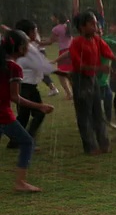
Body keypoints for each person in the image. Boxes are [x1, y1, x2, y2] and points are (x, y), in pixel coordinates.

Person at [0, 30, 55, 192]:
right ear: (19, 48)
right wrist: (40, 106)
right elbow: (15, 97)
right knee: (27, 142)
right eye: (26, 45)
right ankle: (20, 182)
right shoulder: (13, 68)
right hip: (3, 115)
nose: (28, 47)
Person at [69, 11, 116, 155]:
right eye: (92, 24)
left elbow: (108, 53)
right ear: (82, 27)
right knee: (84, 114)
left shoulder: (96, 39)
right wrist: (99, 68)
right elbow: (78, 65)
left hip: (93, 79)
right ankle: (90, 147)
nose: (96, 26)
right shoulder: (76, 43)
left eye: (96, 23)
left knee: (98, 112)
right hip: (80, 80)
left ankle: (104, 144)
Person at [5, 20, 57, 150]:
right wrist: (64, 73)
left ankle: (16, 141)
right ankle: (26, 140)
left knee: (23, 116)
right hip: (25, 86)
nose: (36, 33)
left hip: (27, 86)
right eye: (34, 31)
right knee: (37, 113)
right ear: (27, 33)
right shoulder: (27, 49)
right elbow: (43, 65)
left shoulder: (26, 47)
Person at [39, 12, 73, 99]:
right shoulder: (68, 26)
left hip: (63, 52)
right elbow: (58, 39)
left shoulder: (56, 29)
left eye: (52, 16)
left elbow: (50, 42)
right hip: (72, 51)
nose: (51, 18)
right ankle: (74, 92)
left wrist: (38, 42)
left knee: (61, 74)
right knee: (70, 73)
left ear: (57, 18)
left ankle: (69, 94)